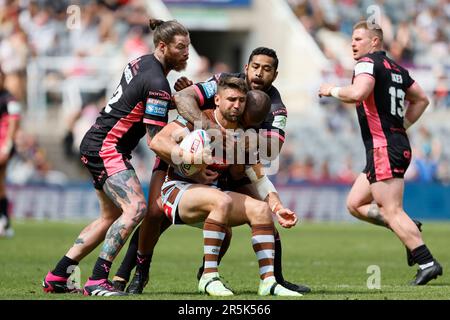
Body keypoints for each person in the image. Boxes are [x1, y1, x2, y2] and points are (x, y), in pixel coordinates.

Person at [113, 47, 311, 294]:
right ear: (246, 68)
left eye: (267, 69)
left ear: (275, 75)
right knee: (155, 213)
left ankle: (270, 280)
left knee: (259, 212)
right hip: (184, 166)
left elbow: (269, 153)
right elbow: (181, 103)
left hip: (227, 167)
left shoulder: (274, 107)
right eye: (256, 67)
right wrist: (203, 141)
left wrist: (276, 202)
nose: (260, 73)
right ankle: (132, 275)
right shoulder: (223, 83)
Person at [42, 18, 190, 296]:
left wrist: (175, 99)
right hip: (107, 147)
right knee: (135, 208)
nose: (187, 53)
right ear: (162, 46)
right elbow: (156, 141)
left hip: (97, 141)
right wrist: (191, 160)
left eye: (188, 47)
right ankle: (98, 280)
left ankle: (58, 275)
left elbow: (139, 100)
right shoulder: (157, 81)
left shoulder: (142, 63)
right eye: (181, 47)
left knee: (109, 216)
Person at [150, 76, 301, 296]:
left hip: (212, 196)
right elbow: (158, 142)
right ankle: (209, 277)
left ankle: (269, 282)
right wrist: (189, 157)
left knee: (260, 210)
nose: (236, 105)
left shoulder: (242, 136)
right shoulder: (200, 122)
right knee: (221, 199)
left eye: (241, 100)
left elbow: (258, 177)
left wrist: (278, 207)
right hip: (176, 191)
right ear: (217, 100)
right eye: (231, 99)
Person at [318, 21, 442, 285]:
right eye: (352, 39)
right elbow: (421, 98)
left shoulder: (366, 63)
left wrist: (331, 90)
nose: (353, 44)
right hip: (389, 145)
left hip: (384, 147)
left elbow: (359, 93)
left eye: (359, 39)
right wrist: (402, 126)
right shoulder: (396, 68)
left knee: (391, 210)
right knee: (355, 204)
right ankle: (408, 226)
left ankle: (427, 262)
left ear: (375, 42)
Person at [0, 66, 21, 238]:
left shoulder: (9, 99)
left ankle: (4, 220)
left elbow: (14, 122)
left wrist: (7, 145)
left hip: (3, 145)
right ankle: (5, 221)